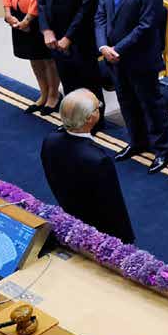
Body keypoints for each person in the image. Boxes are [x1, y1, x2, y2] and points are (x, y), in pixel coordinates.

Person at [94, 0, 168, 174]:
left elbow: (146, 26)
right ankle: (138, 141)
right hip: (114, 57)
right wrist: (102, 47)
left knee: (151, 104)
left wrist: (117, 48)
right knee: (126, 101)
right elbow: (100, 14)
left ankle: (162, 149)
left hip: (139, 57)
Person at [41, 90, 134, 242]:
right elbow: (113, 205)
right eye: (98, 107)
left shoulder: (50, 140)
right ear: (90, 118)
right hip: (100, 230)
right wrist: (125, 238)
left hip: (71, 213)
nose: (100, 108)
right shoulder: (98, 160)